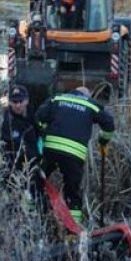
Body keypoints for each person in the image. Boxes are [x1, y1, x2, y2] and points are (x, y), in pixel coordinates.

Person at [34, 86, 114, 223]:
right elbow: (109, 124)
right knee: (72, 191)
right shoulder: (90, 104)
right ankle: (73, 229)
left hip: (50, 150)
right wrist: (103, 139)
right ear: (87, 96)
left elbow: (38, 118)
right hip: (74, 155)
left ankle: (30, 215)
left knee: (36, 180)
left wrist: (44, 132)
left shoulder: (57, 98)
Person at [0, 85, 39, 188]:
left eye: (21, 101)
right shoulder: (6, 122)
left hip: (32, 170)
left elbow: (38, 139)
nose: (18, 105)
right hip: (13, 172)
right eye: (14, 102)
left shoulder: (33, 118)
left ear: (27, 101)